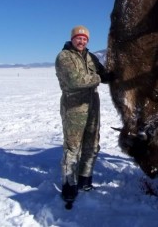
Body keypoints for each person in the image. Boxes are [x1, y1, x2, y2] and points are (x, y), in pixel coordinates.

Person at [55, 25, 111, 202]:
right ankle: (69, 185)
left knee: (92, 145)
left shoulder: (91, 57)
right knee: (73, 148)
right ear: (72, 39)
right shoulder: (64, 57)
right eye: (78, 38)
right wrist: (99, 78)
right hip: (74, 108)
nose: (81, 41)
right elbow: (75, 81)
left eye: (85, 39)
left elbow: (105, 74)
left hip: (93, 106)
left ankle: (85, 179)